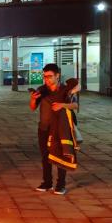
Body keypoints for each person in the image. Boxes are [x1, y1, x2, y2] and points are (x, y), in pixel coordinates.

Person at [30, 63, 79, 195]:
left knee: (60, 155)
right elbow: (33, 107)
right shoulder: (42, 90)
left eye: (50, 76)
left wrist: (62, 105)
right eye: (45, 77)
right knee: (45, 156)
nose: (47, 79)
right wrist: (33, 99)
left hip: (59, 129)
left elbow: (75, 105)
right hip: (44, 128)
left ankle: (61, 185)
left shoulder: (65, 90)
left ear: (57, 76)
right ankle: (47, 182)